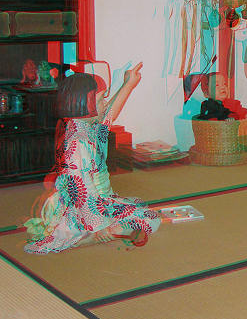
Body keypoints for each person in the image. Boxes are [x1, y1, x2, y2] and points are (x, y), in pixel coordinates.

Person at [23, 62, 161, 254]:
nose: (105, 103)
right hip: (79, 207)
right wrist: (100, 226)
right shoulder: (77, 143)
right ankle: (86, 237)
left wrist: (128, 84)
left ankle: (98, 231)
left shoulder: (85, 125)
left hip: (97, 199)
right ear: (84, 104)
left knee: (143, 213)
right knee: (146, 218)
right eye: (101, 99)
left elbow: (108, 115)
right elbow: (82, 192)